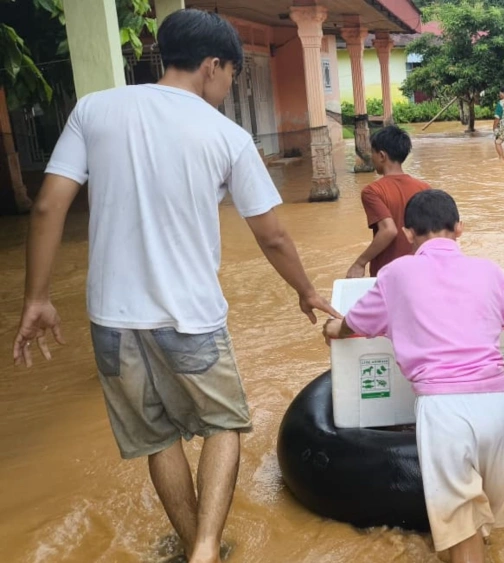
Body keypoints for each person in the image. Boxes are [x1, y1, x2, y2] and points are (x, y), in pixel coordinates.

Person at [10, 10, 337, 563]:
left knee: (157, 439)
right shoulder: (227, 136)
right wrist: (304, 291)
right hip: (190, 316)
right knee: (224, 425)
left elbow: (47, 207)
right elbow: (273, 236)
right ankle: (207, 547)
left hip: (111, 321)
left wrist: (37, 299)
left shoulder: (93, 109)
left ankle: (192, 547)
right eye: (231, 74)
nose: (229, 85)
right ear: (212, 65)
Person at [325, 189, 504, 563]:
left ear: (408, 234)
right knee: (481, 527)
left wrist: (334, 329)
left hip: (444, 412)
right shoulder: (489, 271)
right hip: (499, 407)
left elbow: (355, 323)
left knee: (461, 528)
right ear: (459, 228)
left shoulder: (395, 274)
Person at [346, 125, 431, 278]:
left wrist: (360, 263)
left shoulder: (372, 191)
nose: (371, 158)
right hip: (420, 271)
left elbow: (389, 230)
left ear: (381, 156)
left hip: (388, 273)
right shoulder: (425, 188)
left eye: (372, 152)